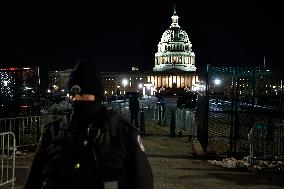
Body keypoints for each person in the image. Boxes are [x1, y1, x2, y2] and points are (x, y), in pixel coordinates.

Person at [24, 57, 153, 189]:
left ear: (97, 95)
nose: (78, 99)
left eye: (85, 94)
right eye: (75, 94)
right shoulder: (51, 133)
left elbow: (142, 181)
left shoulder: (124, 134)